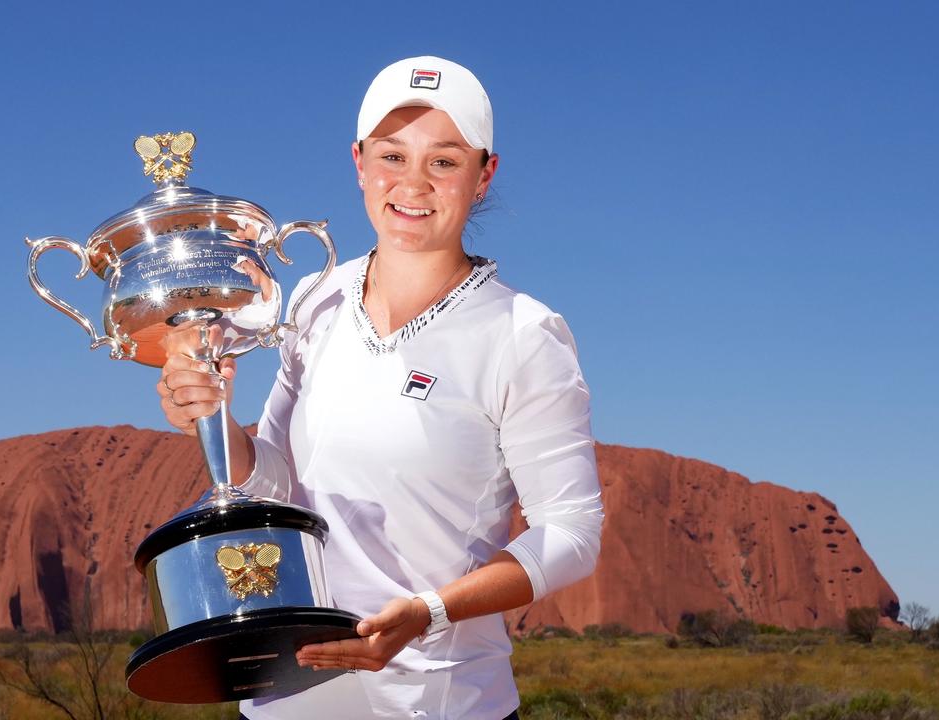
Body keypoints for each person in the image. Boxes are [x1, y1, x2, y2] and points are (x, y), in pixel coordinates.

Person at [155, 56, 604, 720]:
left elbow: (572, 532)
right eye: (392, 156)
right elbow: (276, 486)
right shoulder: (315, 300)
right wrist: (214, 420)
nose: (413, 184)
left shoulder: (522, 334)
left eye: (444, 162)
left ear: (485, 174)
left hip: (440, 700)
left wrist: (430, 611)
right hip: (290, 697)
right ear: (359, 163)